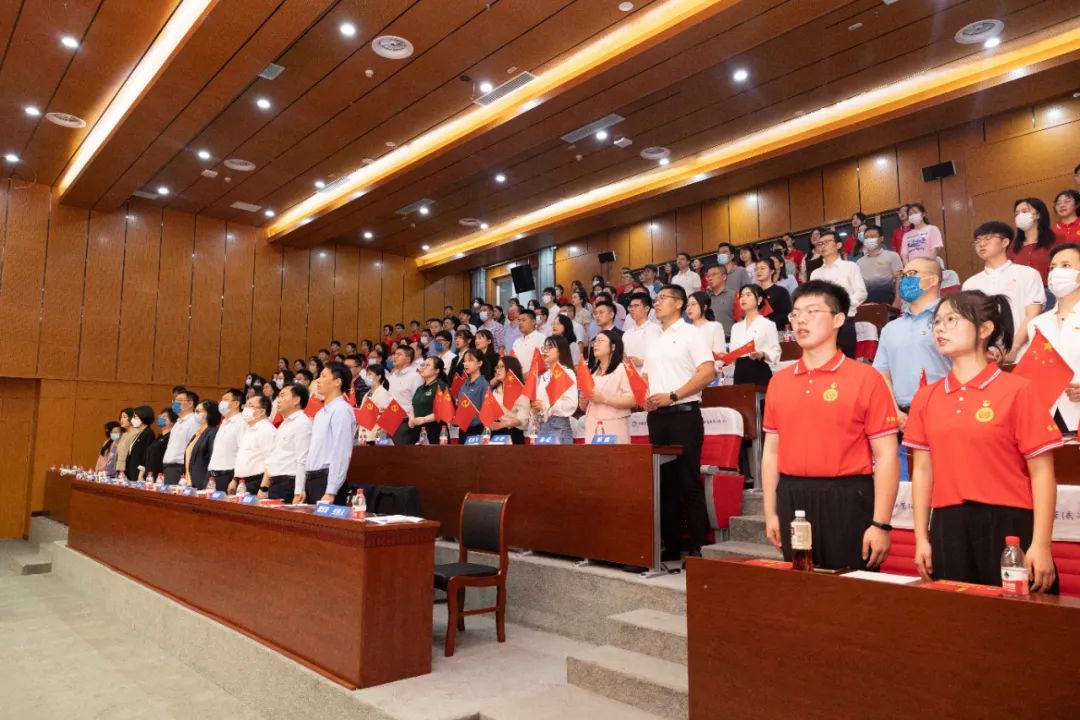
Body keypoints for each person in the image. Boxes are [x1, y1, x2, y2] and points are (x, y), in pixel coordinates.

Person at [905, 290, 1060, 592]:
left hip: (1010, 523)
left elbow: (1042, 472)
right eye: (937, 322)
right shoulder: (926, 397)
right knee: (957, 616)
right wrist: (921, 538)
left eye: (952, 319)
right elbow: (922, 471)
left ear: (985, 329)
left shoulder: (1018, 390)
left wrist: (1041, 544)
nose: (940, 328)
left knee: (1019, 616)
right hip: (949, 524)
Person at [761, 280, 900, 571]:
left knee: (850, 590)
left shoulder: (865, 378)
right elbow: (771, 452)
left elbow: (887, 455)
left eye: (812, 312)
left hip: (848, 497)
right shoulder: (779, 382)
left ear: (838, 319)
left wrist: (881, 523)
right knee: (800, 588)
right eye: (796, 313)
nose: (800, 320)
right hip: (792, 496)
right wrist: (771, 512)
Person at [642, 284, 715, 561]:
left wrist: (673, 395)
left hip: (684, 414)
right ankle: (670, 545)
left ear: (679, 303)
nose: (657, 302)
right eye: (656, 298)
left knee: (688, 481)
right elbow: (647, 378)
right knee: (664, 484)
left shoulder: (691, 333)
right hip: (657, 417)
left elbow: (707, 373)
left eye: (663, 298)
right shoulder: (654, 339)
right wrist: (646, 397)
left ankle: (697, 546)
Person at [873, 258, 952, 426]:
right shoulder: (891, 328)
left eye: (912, 274)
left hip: (946, 408)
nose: (905, 280)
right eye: (903, 275)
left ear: (933, 280)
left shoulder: (953, 319)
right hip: (903, 414)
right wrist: (895, 412)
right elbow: (882, 374)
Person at [962, 221, 1044, 361]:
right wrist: (984, 352)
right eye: (977, 241)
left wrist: (1013, 348)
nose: (981, 244)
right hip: (985, 358)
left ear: (1005, 242)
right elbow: (970, 323)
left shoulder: (1028, 274)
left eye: (988, 238)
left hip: (1024, 354)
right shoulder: (970, 284)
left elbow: (1033, 314)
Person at [1024, 243, 1080, 432]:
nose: (1056, 273)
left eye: (1066, 266)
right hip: (1049, 418)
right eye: (1053, 267)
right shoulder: (1037, 324)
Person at [300, 362, 357, 505]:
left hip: (326, 481)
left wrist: (331, 490)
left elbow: (341, 452)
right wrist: (303, 486)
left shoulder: (342, 410)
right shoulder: (320, 413)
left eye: (323, 376)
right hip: (312, 480)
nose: (317, 380)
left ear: (337, 382)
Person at [810, 230, 867, 358]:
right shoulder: (815, 273)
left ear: (838, 245)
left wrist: (843, 304)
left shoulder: (850, 267)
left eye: (827, 242)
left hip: (845, 321)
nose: (822, 246)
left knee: (847, 362)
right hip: (823, 324)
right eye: (820, 243)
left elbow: (861, 292)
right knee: (825, 361)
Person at [257, 383, 313, 502]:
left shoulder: (302, 423)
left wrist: (299, 490)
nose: (278, 400)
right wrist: (265, 487)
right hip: (276, 483)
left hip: (289, 484)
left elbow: (302, 459)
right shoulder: (284, 424)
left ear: (296, 400)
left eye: (282, 396)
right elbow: (274, 457)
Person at [581, 330, 635, 443]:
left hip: (614, 425)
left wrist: (604, 399)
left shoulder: (623, 369)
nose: (596, 344)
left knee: (614, 455)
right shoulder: (592, 372)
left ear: (613, 347)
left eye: (601, 340)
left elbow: (632, 400)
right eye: (595, 341)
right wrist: (583, 400)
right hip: (592, 425)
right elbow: (583, 406)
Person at [725, 284, 781, 387]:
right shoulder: (736, 327)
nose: (743, 298)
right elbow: (733, 355)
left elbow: (775, 351)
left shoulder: (768, 324)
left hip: (759, 370)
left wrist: (762, 354)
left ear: (759, 299)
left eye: (748, 295)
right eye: (741, 296)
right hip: (740, 372)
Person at [532, 335, 578, 444]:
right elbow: (540, 404)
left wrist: (545, 405)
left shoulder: (566, 373)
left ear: (560, 351)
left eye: (550, 347)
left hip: (558, 427)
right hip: (542, 426)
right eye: (545, 348)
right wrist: (536, 408)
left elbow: (571, 404)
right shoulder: (544, 376)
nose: (545, 351)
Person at [1009, 197, 1059, 287]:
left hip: (1051, 290)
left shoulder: (1056, 240)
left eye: (1025, 211)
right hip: (1022, 292)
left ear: (1038, 215)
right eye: (1017, 214)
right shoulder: (1012, 247)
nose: (1020, 216)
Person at [231, 395, 275, 494]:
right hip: (242, 482)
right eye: (245, 405)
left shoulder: (267, 430)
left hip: (256, 482)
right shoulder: (249, 429)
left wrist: (264, 488)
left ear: (262, 411)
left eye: (250, 406)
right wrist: (235, 479)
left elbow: (271, 461)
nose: (245, 409)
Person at [207, 388, 245, 489]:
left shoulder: (241, 423)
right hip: (213, 474)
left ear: (236, 404)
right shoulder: (224, 422)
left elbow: (242, 452)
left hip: (228, 475)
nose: (221, 403)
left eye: (225, 400)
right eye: (221, 400)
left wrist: (236, 479)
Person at [406, 356, 450, 444]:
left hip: (435, 429)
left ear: (437, 370)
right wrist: (411, 418)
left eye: (428, 365)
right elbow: (413, 406)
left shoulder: (441, 386)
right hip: (417, 430)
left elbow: (444, 410)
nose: (423, 367)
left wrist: (424, 419)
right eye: (423, 365)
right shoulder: (420, 388)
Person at [488, 356, 531, 444]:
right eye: (497, 367)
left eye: (502, 367)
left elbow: (523, 419)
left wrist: (502, 425)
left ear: (511, 369)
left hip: (513, 434)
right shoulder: (496, 390)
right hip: (496, 433)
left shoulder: (521, 391)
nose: (498, 370)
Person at [856, 225, 903, 304]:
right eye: (866, 238)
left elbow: (900, 279)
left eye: (872, 237)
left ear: (881, 238)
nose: (869, 240)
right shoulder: (859, 262)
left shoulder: (892, 256)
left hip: (889, 302)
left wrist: (897, 301)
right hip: (866, 304)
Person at [387, 346, 423, 444]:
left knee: (401, 452)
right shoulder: (393, 376)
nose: (395, 357)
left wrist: (412, 418)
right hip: (390, 420)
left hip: (406, 422)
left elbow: (417, 401)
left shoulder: (415, 376)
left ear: (408, 359)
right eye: (395, 354)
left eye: (399, 354)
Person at [162, 389, 198, 484]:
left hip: (180, 467)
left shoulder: (193, 421)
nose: (175, 403)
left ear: (190, 403)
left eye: (179, 401)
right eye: (174, 400)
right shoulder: (178, 422)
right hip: (169, 467)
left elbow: (192, 447)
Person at [456, 348, 491, 442]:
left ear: (480, 363)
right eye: (464, 361)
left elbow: (487, 413)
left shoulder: (484, 385)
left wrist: (469, 420)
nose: (466, 364)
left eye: (470, 360)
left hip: (477, 431)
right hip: (463, 430)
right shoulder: (464, 384)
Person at [185, 401, 220, 490]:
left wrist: (208, 481)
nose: (195, 414)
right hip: (190, 481)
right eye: (195, 411)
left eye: (198, 411)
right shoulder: (198, 433)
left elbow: (213, 459)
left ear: (209, 413)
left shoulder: (213, 432)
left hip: (203, 482)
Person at [622, 292, 662, 370]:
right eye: (630, 306)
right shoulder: (627, 333)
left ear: (646, 309)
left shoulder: (656, 330)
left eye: (636, 306)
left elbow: (662, 357)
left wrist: (642, 362)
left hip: (649, 375)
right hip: (628, 374)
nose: (632, 309)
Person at [753, 259, 793, 334]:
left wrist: (767, 320)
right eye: (756, 269)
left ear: (772, 271)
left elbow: (788, 316)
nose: (758, 271)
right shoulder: (753, 292)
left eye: (762, 268)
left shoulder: (781, 291)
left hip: (776, 332)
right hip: (756, 334)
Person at [686, 291, 726, 365]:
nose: (689, 308)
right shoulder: (685, 329)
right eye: (687, 305)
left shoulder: (715, 326)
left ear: (704, 307)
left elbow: (719, 357)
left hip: (708, 369)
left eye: (693, 304)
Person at [123, 406, 156, 481]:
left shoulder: (148, 433)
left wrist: (141, 473)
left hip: (138, 473)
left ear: (143, 416)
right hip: (131, 470)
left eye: (135, 417)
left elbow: (146, 455)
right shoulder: (139, 433)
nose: (132, 419)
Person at [704, 264, 736, 338]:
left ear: (724, 277)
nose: (710, 278)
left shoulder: (734, 295)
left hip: (730, 340)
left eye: (714, 274)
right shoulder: (705, 298)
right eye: (708, 276)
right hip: (709, 340)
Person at [144, 408, 175, 479]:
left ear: (172, 421)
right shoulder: (159, 438)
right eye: (160, 416)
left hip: (160, 476)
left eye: (164, 416)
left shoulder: (171, 437)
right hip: (150, 475)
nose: (160, 418)